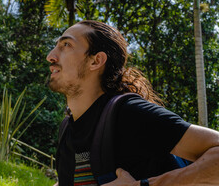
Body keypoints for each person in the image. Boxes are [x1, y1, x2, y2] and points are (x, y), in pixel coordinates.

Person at [46, 20, 219, 186]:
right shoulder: (67, 129)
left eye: (66, 45)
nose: (50, 56)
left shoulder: (128, 113)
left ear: (95, 61)